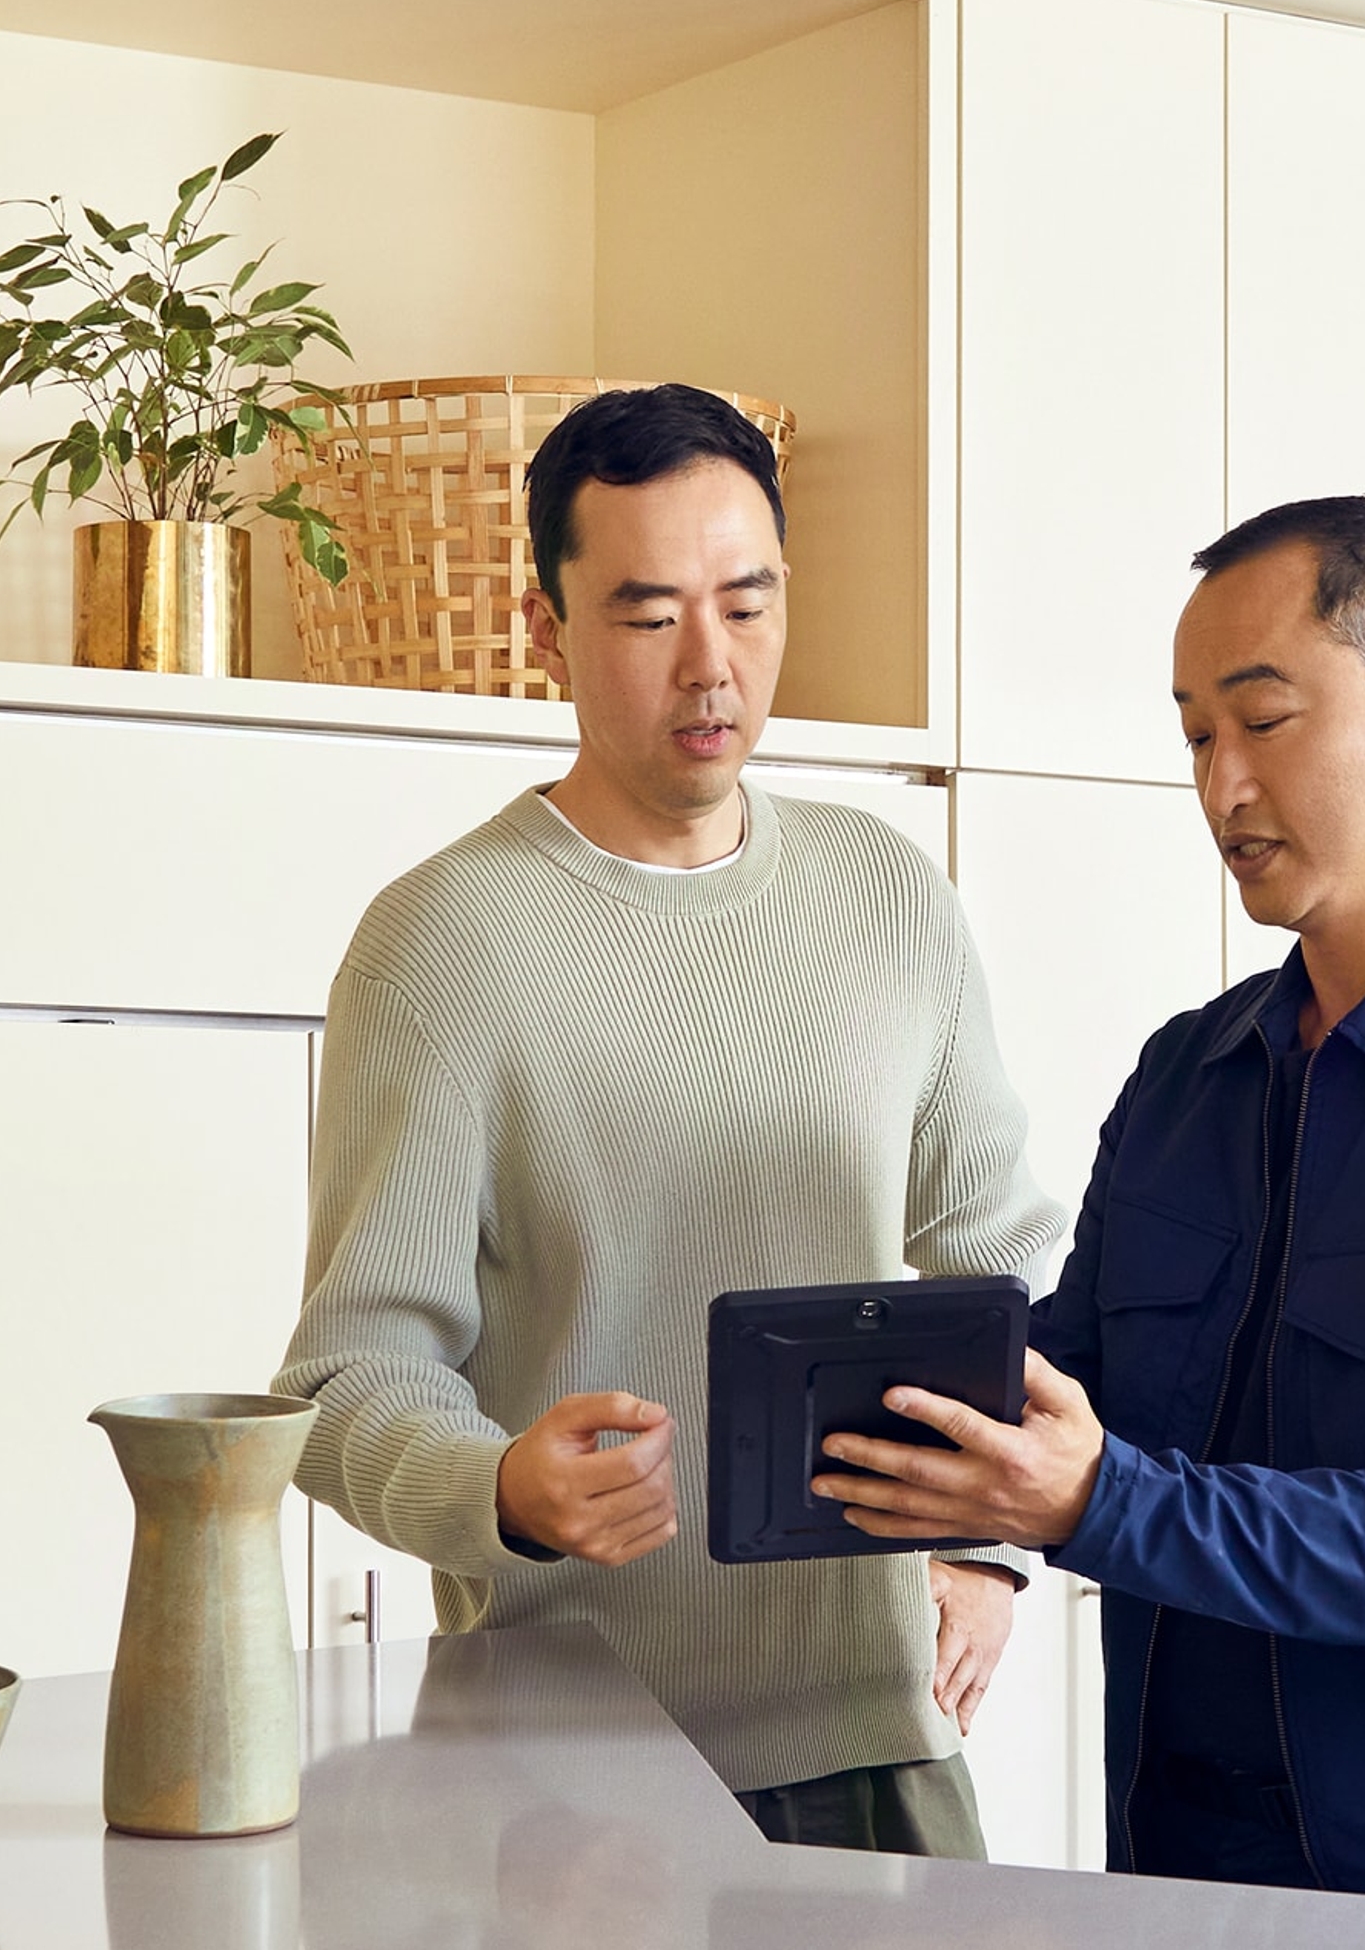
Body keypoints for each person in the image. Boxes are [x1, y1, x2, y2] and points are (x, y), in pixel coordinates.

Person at [808, 494, 1365, 1917]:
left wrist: (1097, 1498)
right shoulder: (1194, 1072)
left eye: (1265, 719)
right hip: (1187, 1875)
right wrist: (955, 1511)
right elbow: (1083, 1370)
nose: (1221, 784)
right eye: (1194, 734)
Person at [273, 383, 1062, 1857]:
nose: (711, 664)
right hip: (557, 1775)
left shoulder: (891, 896)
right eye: (646, 616)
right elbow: (344, 1379)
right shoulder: (442, 940)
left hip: (876, 1739)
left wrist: (989, 1550)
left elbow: (1004, 1274)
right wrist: (501, 1483)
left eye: (746, 605)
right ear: (543, 628)